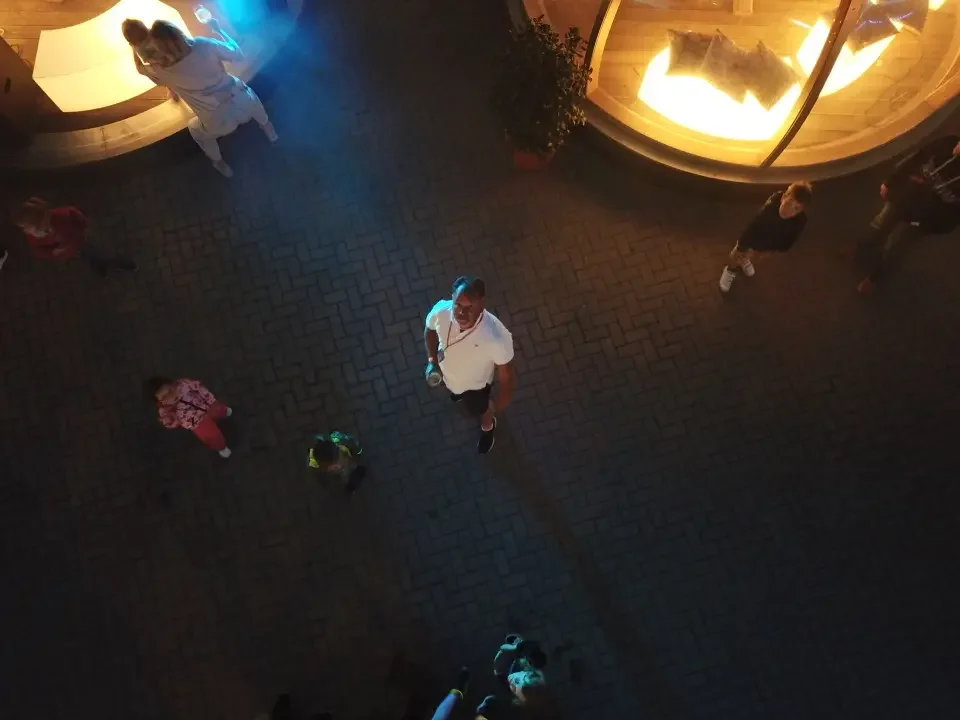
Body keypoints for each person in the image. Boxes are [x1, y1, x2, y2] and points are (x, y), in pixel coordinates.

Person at [131, 18, 278, 178]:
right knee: (250, 96)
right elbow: (238, 54)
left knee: (195, 129)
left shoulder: (160, 70)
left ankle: (219, 162)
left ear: (158, 47)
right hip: (243, 103)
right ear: (178, 33)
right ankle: (267, 126)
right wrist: (217, 29)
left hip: (218, 122)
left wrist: (133, 47)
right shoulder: (203, 45)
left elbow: (140, 69)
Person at [843, 135, 960, 294]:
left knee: (898, 246)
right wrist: (891, 181)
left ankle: (875, 277)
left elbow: (954, 215)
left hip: (927, 217)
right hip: (906, 195)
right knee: (880, 224)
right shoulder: (948, 143)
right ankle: (861, 249)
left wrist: (932, 226)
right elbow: (918, 157)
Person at [424, 277, 516, 455]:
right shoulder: (442, 311)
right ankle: (457, 394)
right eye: (458, 305)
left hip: (476, 388)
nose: (461, 313)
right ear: (452, 298)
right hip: (448, 376)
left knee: (482, 410)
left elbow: (506, 376)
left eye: (469, 307)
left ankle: (488, 427)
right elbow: (429, 330)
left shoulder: (496, 337)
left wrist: (498, 404)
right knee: (455, 391)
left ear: (482, 304)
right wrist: (432, 361)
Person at [719, 182, 813, 293]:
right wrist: (743, 245)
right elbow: (753, 227)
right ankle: (730, 269)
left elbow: (790, 239)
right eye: (789, 204)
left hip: (768, 243)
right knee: (737, 255)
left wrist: (772, 249)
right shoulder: (769, 210)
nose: (790, 211)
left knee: (752, 254)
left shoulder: (799, 221)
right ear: (783, 197)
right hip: (753, 237)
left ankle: (745, 260)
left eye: (796, 209)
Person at [13, 197, 137, 276]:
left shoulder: (64, 215)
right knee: (88, 257)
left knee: (103, 250)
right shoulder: (33, 238)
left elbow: (79, 218)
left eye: (31, 228)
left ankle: (118, 262)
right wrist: (55, 252)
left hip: (83, 241)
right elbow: (40, 252)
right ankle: (99, 265)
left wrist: (84, 229)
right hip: (74, 251)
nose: (28, 232)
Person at [145, 376, 233, 458]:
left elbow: (200, 390)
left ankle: (224, 411)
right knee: (212, 436)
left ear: (172, 384)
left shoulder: (184, 386)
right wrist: (169, 420)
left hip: (208, 406)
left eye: (170, 390)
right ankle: (221, 447)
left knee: (218, 410)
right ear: (159, 402)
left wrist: (210, 401)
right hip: (197, 423)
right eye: (165, 397)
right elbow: (171, 422)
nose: (171, 396)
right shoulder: (167, 410)